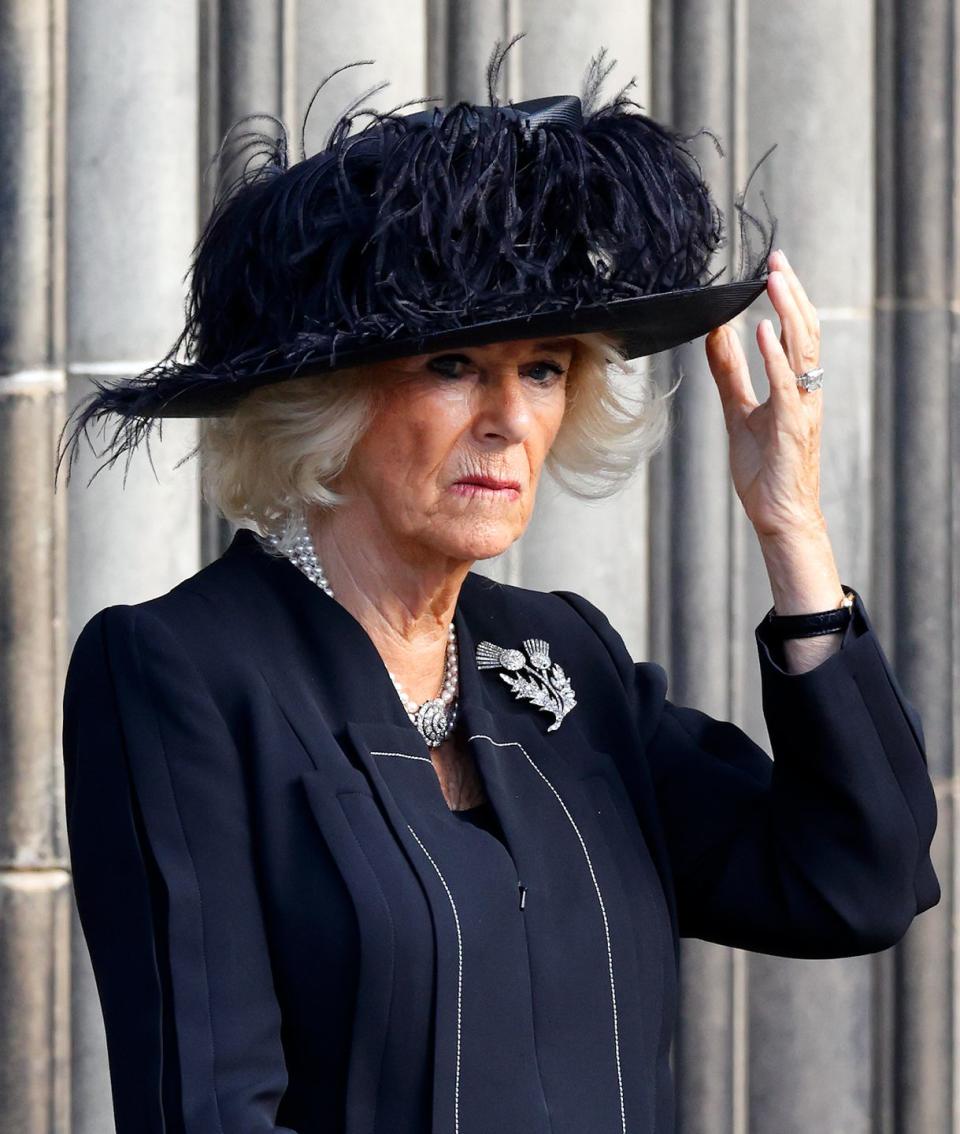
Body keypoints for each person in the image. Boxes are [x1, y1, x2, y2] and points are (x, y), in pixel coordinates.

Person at [57, 48, 940, 1134]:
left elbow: (855, 882)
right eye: (455, 365)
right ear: (325, 395)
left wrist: (789, 528)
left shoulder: (567, 658)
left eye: (544, 367)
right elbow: (210, 1110)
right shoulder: (180, 670)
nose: (510, 420)